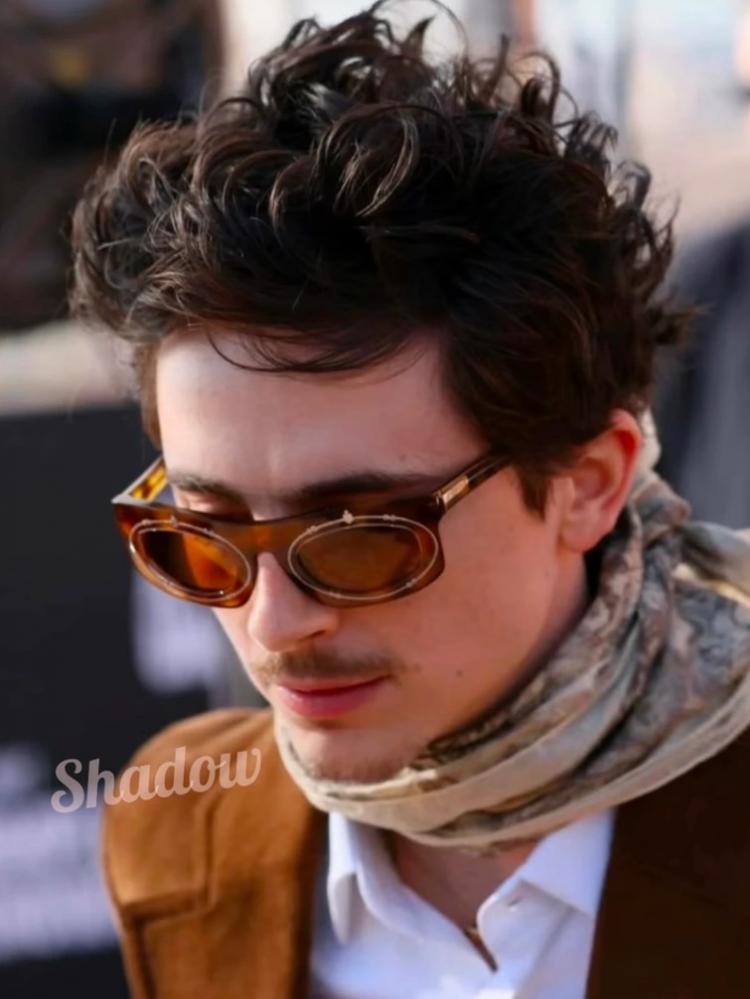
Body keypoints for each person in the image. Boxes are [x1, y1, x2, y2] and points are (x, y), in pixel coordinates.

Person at [69, 3, 750, 996]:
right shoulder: (182, 829)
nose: (274, 623)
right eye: (206, 535)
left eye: (362, 537)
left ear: (586, 485)